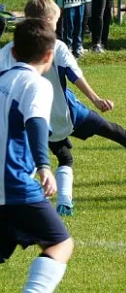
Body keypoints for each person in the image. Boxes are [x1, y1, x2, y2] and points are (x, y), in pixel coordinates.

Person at [0, 0, 126, 217]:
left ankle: (65, 202)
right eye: (57, 20)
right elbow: (74, 75)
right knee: (117, 132)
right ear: (48, 21)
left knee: (64, 156)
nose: (58, 25)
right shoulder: (56, 46)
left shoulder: (8, 51)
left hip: (33, 119)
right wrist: (96, 99)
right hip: (66, 113)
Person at [0, 18, 74, 292]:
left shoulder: (2, 78)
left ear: (14, 51)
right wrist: (44, 165)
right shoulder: (37, 85)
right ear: (49, 56)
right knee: (60, 243)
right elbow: (36, 122)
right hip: (13, 183)